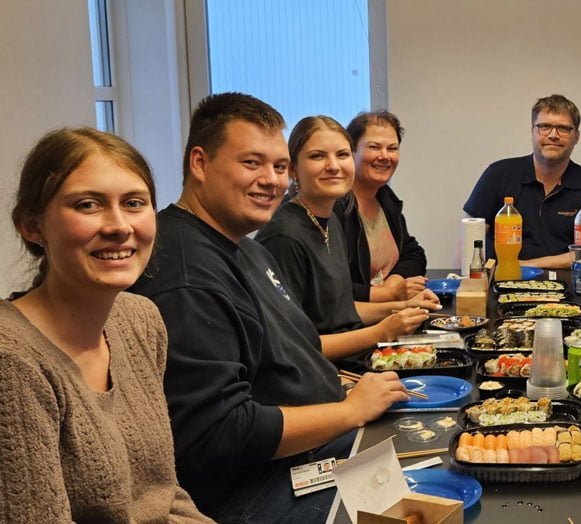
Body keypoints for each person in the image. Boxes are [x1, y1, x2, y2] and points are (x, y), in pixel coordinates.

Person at [130, 93, 410, 521]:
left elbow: (295, 350)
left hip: (315, 442)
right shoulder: (187, 274)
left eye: (279, 167)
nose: (271, 180)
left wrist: (348, 394)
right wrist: (349, 411)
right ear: (200, 163)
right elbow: (220, 433)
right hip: (255, 487)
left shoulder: (245, 247)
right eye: (251, 163)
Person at [0, 128, 210, 521]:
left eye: (133, 203)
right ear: (32, 226)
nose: (119, 225)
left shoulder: (139, 319)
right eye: (88, 205)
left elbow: (163, 494)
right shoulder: (12, 361)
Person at [257, 115, 440, 355]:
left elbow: (341, 312)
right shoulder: (284, 236)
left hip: (352, 356)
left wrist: (403, 306)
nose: (333, 166)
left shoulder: (329, 220)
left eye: (342, 155)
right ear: (293, 169)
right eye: (318, 156)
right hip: (322, 370)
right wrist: (381, 332)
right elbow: (291, 347)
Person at [463, 94, 581, 269]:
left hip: (570, 283)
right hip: (504, 280)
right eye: (545, 126)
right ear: (532, 132)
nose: (553, 135)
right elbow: (468, 244)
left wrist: (527, 266)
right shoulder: (498, 174)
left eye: (563, 128)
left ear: (576, 136)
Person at [335, 110, 430, 302]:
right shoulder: (334, 205)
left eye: (392, 148)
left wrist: (393, 283)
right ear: (351, 151)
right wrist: (388, 294)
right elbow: (330, 287)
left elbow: (414, 254)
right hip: (355, 317)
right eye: (374, 147)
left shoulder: (385, 198)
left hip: (389, 309)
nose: (385, 156)